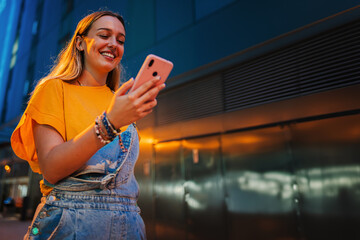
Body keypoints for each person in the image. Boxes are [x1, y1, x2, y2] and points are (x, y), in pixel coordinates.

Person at [11, 10, 164, 239]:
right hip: (67, 224)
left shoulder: (119, 100)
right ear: (80, 43)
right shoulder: (54, 89)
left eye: (120, 40)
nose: (113, 44)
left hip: (128, 225)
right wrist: (109, 124)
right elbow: (52, 169)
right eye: (104, 35)